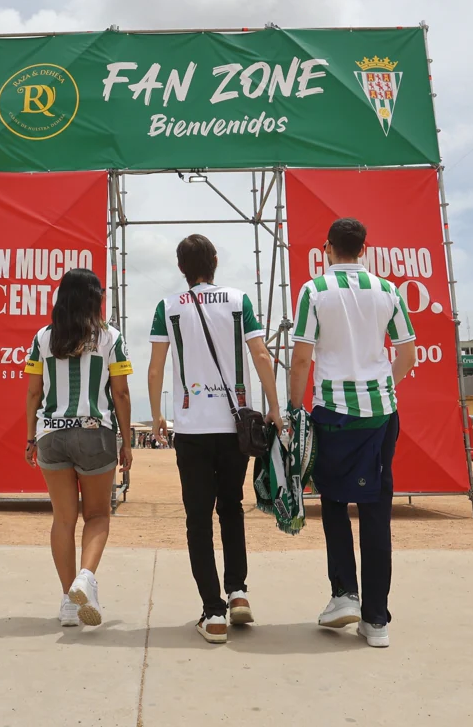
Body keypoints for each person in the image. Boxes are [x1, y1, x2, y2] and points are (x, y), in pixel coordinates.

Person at [288, 217, 417, 649]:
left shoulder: (314, 291)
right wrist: (383, 386)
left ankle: (344, 595)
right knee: (377, 510)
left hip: (333, 413)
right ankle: (376, 620)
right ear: (364, 249)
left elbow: (302, 358)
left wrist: (293, 409)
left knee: (333, 501)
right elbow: (407, 352)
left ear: (327, 248)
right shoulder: (388, 290)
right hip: (381, 414)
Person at [148, 235, 283, 644]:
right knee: (231, 508)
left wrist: (157, 416)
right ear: (216, 261)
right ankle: (238, 591)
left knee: (197, 519)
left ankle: (213, 612)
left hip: (191, 428)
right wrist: (274, 406)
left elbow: (156, 368)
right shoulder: (239, 300)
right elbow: (261, 355)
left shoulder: (167, 307)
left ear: (180, 267)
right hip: (234, 427)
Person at [24, 268, 134, 628]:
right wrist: (127, 442)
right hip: (94, 431)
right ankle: (86, 577)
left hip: (51, 434)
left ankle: (68, 603)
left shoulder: (42, 337)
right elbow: (120, 393)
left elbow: (33, 392)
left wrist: (30, 438)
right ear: (95, 299)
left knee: (63, 519)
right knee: (98, 516)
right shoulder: (111, 337)